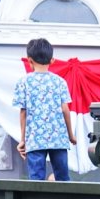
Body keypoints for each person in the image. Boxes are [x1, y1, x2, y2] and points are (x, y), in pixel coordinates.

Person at [13, 37, 76, 181]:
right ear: (52, 60)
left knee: (36, 178)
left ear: (29, 60)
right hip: (58, 139)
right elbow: (65, 110)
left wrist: (23, 140)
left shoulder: (23, 82)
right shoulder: (60, 82)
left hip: (35, 139)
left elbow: (23, 113)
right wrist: (70, 135)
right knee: (63, 178)